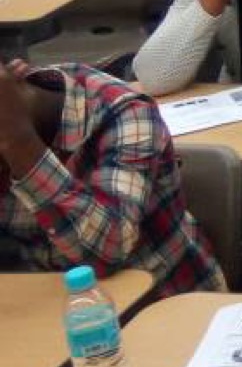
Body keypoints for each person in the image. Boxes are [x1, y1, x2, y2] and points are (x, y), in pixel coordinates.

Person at [0, 59, 224, 294]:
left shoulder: (122, 111)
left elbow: (107, 252)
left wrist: (18, 141)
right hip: (52, 306)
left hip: (165, 301)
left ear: (15, 73)